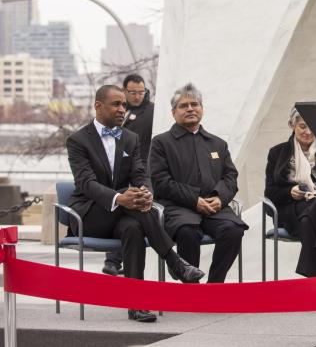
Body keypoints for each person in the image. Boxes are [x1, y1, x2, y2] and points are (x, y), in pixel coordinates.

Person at [65, 85, 204, 323]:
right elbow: (86, 183)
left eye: (124, 105)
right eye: (116, 104)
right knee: (133, 205)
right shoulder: (78, 140)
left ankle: (136, 305)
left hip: (125, 216)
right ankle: (174, 261)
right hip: (90, 215)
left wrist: (146, 193)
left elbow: (140, 173)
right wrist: (120, 198)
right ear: (98, 106)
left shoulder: (129, 138)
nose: (122, 109)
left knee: (134, 228)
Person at [149, 83, 247, 283]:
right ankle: (190, 286)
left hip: (215, 207)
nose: (191, 109)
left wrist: (220, 198)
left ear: (202, 108)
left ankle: (214, 285)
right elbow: (161, 182)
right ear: (173, 112)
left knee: (233, 230)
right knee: (187, 231)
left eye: (195, 104)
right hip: (178, 208)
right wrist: (195, 200)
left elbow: (230, 177)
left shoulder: (217, 143)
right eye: (184, 106)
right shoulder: (161, 143)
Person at [264, 107, 316, 277]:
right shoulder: (277, 152)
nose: (308, 132)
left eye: (312, 127)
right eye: (302, 127)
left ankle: (314, 281)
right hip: (290, 209)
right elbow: (270, 192)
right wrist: (290, 192)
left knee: (311, 217)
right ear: (292, 125)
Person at [103, 73, 156, 277]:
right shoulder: (118, 113)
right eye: (132, 92)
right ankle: (113, 260)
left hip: (142, 170)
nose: (137, 96)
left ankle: (118, 261)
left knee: (136, 213)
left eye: (140, 92)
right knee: (117, 211)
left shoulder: (152, 112)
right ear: (125, 92)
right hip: (117, 172)